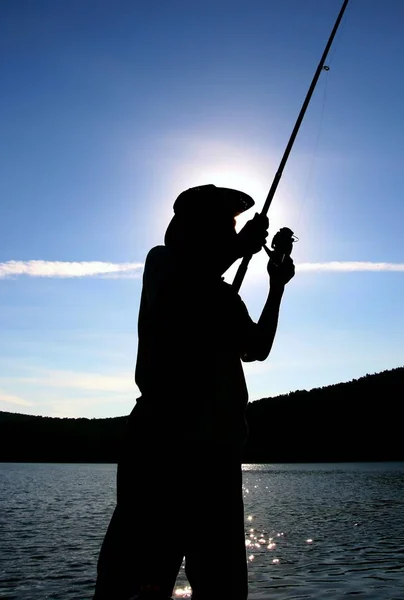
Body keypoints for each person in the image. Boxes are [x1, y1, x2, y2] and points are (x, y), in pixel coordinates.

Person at [93, 184, 295, 600]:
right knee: (134, 582)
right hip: (160, 450)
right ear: (193, 227)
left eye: (233, 224)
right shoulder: (162, 263)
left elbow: (256, 348)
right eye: (225, 222)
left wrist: (276, 286)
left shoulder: (221, 295)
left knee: (221, 586)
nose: (232, 229)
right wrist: (240, 248)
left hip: (217, 457)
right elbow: (187, 282)